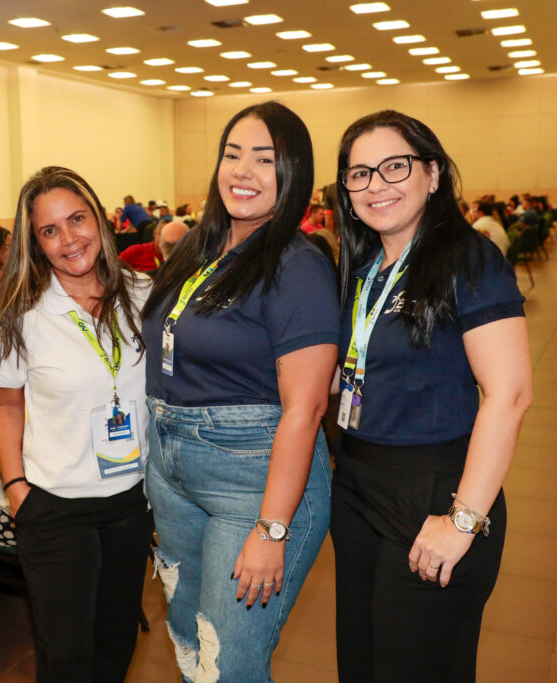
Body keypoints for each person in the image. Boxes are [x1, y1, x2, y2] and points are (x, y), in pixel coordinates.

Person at [141, 101, 339, 682]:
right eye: (232, 154)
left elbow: (306, 408)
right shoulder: (199, 246)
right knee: (187, 637)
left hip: (254, 484)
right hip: (173, 468)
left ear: (293, 173)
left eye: (264, 159)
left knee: (229, 665)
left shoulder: (297, 266)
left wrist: (272, 528)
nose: (242, 171)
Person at [332, 110, 532, 682]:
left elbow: (511, 392)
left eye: (395, 167)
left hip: (434, 490)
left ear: (433, 174)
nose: (376, 185)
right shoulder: (364, 266)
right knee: (363, 663)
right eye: (359, 173)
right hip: (357, 486)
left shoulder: (468, 259)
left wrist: (462, 519)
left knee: (415, 666)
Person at [0, 166, 151, 681]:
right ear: (35, 244)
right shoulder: (19, 313)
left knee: (116, 645)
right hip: (55, 507)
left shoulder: (145, 294)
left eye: (77, 219)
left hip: (132, 501)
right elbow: (6, 404)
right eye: (49, 230)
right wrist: (16, 488)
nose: (69, 239)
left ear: (100, 219)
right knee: (67, 660)